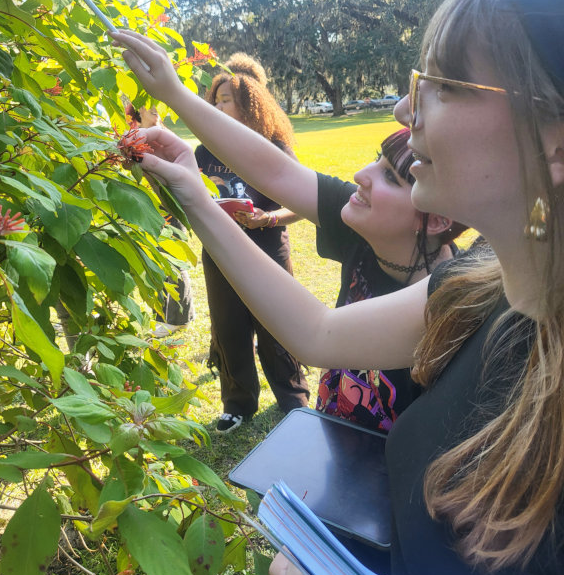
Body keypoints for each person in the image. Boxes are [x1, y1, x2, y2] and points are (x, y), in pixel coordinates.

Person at [113, 0, 564, 575]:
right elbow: (319, 333)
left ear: (554, 143)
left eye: (442, 84)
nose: (403, 108)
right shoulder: (476, 290)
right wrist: (191, 188)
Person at [132, 83, 464, 432]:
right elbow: (276, 172)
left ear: (438, 218)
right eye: (374, 159)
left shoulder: (446, 301)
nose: (360, 176)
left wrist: (196, 201)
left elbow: (317, 335)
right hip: (336, 440)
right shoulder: (367, 229)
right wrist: (173, 91)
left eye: (391, 177)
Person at [195, 54, 310, 432]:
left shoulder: (273, 146)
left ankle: (293, 399)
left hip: (267, 245)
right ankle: (237, 404)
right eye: (215, 100)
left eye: (225, 99)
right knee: (228, 327)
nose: (217, 106)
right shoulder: (204, 151)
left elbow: (304, 202)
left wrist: (268, 217)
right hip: (220, 248)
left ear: (249, 102)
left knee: (275, 321)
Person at [125, 102, 194, 334]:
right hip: (145, 209)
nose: (155, 109)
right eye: (149, 105)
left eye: (158, 105)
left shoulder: (164, 136)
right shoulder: (131, 133)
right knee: (156, 263)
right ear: (138, 109)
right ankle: (162, 316)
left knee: (173, 261)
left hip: (168, 207)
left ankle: (179, 318)